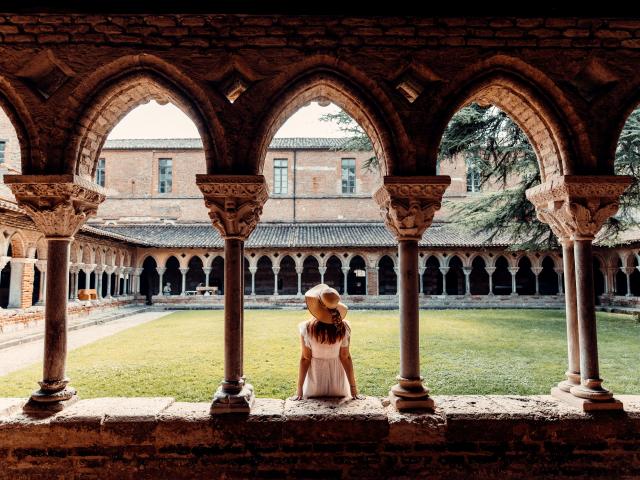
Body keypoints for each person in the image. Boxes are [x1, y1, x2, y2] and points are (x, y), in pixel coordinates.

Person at [292, 284, 363, 400]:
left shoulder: (306, 328)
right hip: (338, 385)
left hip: (314, 385)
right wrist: (353, 388)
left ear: (318, 304)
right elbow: (345, 358)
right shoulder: (344, 327)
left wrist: (299, 389)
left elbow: (305, 359)